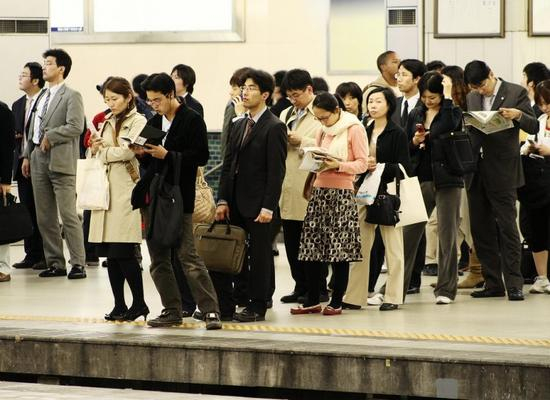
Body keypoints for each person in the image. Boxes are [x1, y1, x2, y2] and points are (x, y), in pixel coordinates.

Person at [132, 72, 221, 329]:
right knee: (158, 258)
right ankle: (171, 309)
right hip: (154, 195)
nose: (153, 105)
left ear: (171, 94)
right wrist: (140, 152)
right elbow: (148, 155)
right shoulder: (155, 121)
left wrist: (168, 154)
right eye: (149, 101)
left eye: (157, 100)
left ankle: (210, 310)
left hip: (179, 195)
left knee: (188, 256)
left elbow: (201, 156)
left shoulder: (191, 119)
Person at [216, 69, 287, 322]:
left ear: (265, 95)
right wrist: (222, 199)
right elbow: (228, 164)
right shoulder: (239, 123)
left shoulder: (275, 126)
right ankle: (238, 299)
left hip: (258, 203)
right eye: (243, 88)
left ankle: (258, 305)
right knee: (234, 252)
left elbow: (276, 172)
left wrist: (268, 207)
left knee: (259, 256)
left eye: (251, 88)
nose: (245, 92)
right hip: (235, 200)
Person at [464, 60, 539, 301]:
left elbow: (533, 124)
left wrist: (518, 115)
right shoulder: (472, 97)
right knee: (481, 229)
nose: (480, 91)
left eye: (482, 85)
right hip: (476, 170)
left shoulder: (515, 92)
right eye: (475, 87)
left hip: (503, 170)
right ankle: (493, 282)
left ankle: (514, 283)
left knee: (507, 227)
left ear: (491, 74)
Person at [291, 92, 368, 315]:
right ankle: (313, 299)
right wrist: (313, 160)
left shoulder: (354, 128)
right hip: (319, 191)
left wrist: (338, 165)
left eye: (325, 117)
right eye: (318, 118)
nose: (322, 122)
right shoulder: (321, 131)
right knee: (311, 247)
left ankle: (336, 301)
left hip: (342, 193)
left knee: (339, 250)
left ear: (337, 110)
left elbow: (362, 164)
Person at [22, 48, 87, 279]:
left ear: (61, 68)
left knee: (68, 215)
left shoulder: (72, 95)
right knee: (45, 216)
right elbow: (32, 129)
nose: (44, 67)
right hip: (38, 158)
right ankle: (56, 263)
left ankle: (78, 263)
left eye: (48, 63)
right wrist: (27, 155)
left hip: (61, 160)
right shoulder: (41, 96)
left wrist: (52, 135)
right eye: (44, 63)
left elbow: (76, 126)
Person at [88, 77, 149, 321]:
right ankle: (119, 305)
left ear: (128, 97)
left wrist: (103, 152)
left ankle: (140, 303)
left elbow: (129, 151)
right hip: (105, 191)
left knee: (124, 250)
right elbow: (97, 152)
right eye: (107, 100)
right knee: (111, 254)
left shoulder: (139, 121)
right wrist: (94, 148)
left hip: (126, 191)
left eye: (114, 99)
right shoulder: (106, 121)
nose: (110, 103)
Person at [344, 87, 409, 311]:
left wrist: (378, 166)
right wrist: (364, 167)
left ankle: (393, 296)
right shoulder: (363, 129)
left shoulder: (397, 132)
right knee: (360, 245)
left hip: (388, 194)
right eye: (370, 101)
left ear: (389, 105)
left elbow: (404, 167)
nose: (373, 105)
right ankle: (355, 296)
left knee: (393, 247)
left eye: (378, 101)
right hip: (364, 192)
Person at [403, 72, 463, 305]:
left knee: (447, 236)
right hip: (421, 178)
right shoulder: (416, 113)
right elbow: (406, 144)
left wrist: (447, 98)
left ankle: (446, 289)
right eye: (425, 97)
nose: (428, 101)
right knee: (409, 234)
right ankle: (395, 287)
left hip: (448, 179)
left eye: (433, 97)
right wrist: (415, 141)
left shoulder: (452, 111)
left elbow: (446, 127)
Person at [278, 69, 327, 304]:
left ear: (309, 89)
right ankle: (300, 286)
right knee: (291, 241)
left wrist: (302, 141)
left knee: (313, 241)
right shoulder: (286, 113)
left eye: (296, 95)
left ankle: (318, 289)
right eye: (289, 96)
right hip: (287, 183)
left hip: (310, 184)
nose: (293, 100)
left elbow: (329, 144)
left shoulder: (321, 111)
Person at [10, 62, 46, 270]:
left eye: (24, 75)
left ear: (35, 80)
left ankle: (46, 254)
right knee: (27, 210)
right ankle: (31, 254)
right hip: (21, 164)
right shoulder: (17, 104)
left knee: (43, 211)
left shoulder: (46, 99)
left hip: (40, 162)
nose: (20, 78)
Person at [520, 80, 550, 294]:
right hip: (538, 180)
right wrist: (529, 148)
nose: (545, 107)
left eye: (548, 103)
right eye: (541, 104)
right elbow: (527, 142)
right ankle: (542, 277)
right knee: (536, 229)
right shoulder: (539, 121)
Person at [0, 100, 15, 282]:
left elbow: (7, 147)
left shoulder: (3, 111)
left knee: (1, 223)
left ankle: (2, 267)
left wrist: (5, 180)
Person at [221, 67, 249, 158]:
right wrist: (225, 159)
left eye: (234, 89)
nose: (231, 92)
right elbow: (226, 134)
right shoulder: (232, 105)